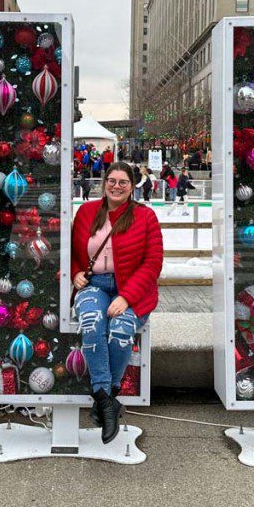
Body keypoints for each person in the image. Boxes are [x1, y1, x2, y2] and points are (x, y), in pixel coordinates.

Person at [72, 163, 163, 444]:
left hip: (132, 290)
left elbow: (152, 262)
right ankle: (107, 398)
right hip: (94, 285)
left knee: (122, 329)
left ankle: (105, 396)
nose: (116, 186)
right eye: (111, 180)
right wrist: (75, 271)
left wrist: (126, 296)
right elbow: (72, 250)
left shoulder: (145, 216)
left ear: (133, 185)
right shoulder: (87, 212)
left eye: (123, 182)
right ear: (104, 183)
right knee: (91, 322)